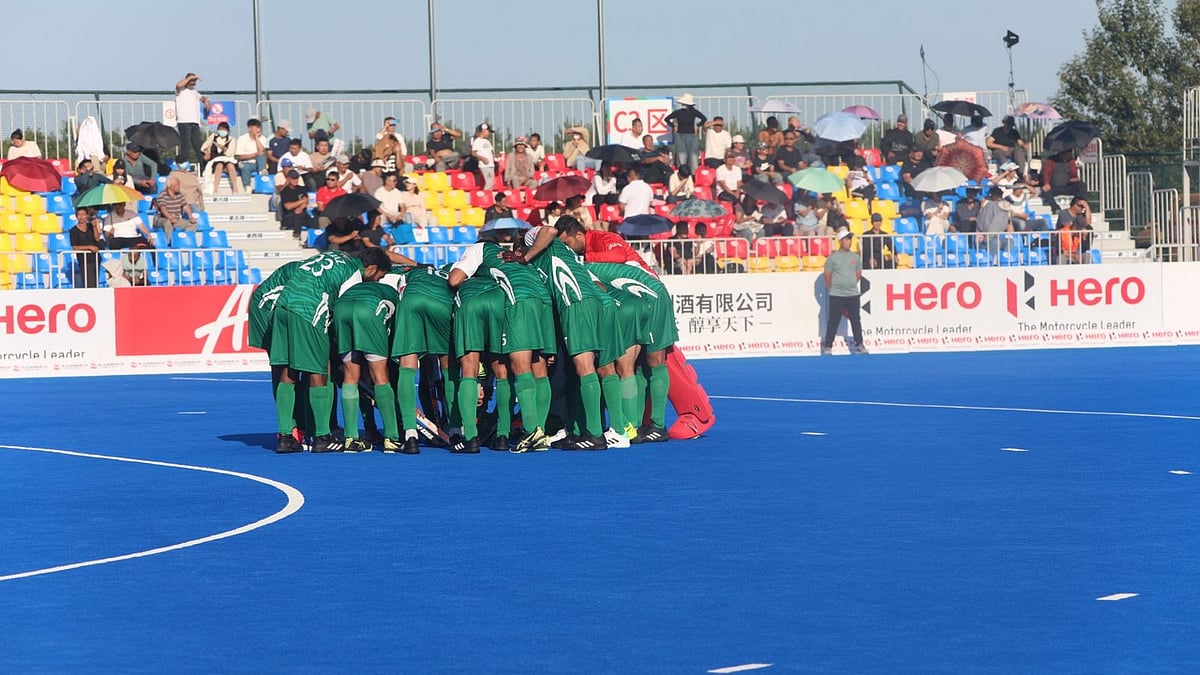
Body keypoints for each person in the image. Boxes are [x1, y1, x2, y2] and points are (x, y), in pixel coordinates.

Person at [269, 248, 391, 453]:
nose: (376, 282)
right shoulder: (354, 275)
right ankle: (321, 436)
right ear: (371, 268)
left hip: (282, 307)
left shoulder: (337, 255)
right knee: (320, 371)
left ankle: (285, 436)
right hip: (308, 310)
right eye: (379, 277)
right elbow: (341, 310)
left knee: (288, 371)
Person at [332, 276, 402, 453]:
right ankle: (392, 438)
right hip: (368, 310)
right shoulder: (393, 294)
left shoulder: (354, 288)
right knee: (380, 376)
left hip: (341, 309)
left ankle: (351, 438)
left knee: (350, 377)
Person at [822, 229, 868, 355]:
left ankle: (859, 344)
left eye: (850, 239)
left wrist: (850, 283)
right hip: (837, 294)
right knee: (833, 320)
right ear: (841, 241)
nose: (849, 242)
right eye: (846, 239)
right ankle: (828, 346)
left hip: (853, 294)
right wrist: (833, 287)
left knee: (855, 320)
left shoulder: (855, 257)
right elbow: (827, 275)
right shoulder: (832, 258)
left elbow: (858, 274)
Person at [664, 93, 706, 173]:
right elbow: (667, 119)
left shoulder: (686, 112)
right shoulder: (683, 112)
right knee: (685, 156)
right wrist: (674, 126)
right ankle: (684, 173)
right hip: (684, 135)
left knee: (690, 156)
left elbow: (667, 119)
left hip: (688, 135)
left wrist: (697, 125)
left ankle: (691, 174)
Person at [173, 73, 208, 166]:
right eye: (191, 81)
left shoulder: (194, 92)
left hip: (194, 123)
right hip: (184, 122)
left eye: (194, 81)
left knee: (199, 147)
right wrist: (190, 78)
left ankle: (203, 167)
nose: (192, 83)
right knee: (186, 147)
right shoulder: (181, 90)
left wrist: (206, 100)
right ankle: (182, 166)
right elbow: (178, 85)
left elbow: (201, 97)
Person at [69, 207, 104, 288]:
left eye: (83, 214)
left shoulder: (91, 227)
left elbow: (97, 238)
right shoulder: (73, 230)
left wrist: (95, 227)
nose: (81, 217)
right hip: (84, 260)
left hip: (95, 258)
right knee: (89, 282)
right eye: (79, 215)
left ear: (87, 216)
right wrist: (89, 247)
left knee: (95, 281)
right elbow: (75, 247)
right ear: (76, 216)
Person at [201, 122, 239, 194]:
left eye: (224, 129)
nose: (222, 131)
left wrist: (224, 148)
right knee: (219, 165)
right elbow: (204, 147)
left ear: (228, 131)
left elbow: (231, 153)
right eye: (220, 129)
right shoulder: (213, 137)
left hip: (227, 160)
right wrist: (206, 151)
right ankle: (215, 188)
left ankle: (235, 188)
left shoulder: (231, 140)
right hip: (216, 160)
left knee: (230, 166)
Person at [154, 177, 197, 241]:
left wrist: (190, 216)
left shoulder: (179, 195)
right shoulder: (162, 195)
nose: (179, 187)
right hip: (162, 219)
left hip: (176, 219)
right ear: (170, 186)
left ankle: (183, 240)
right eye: (177, 185)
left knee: (193, 224)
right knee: (167, 222)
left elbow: (186, 206)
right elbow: (163, 209)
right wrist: (170, 217)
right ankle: (168, 242)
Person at [1054, 197, 1093, 264]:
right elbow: (1059, 250)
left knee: (1087, 256)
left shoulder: (1080, 232)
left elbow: (1085, 248)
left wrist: (1084, 238)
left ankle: (1086, 273)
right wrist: (1072, 255)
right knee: (1061, 258)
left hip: (1076, 254)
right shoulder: (1063, 231)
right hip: (1065, 254)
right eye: (1081, 206)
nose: (1082, 208)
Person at [977, 186, 1013, 255]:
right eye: (997, 194)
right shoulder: (989, 205)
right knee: (996, 242)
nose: (999, 196)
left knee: (1010, 242)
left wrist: (1011, 234)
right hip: (985, 238)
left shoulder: (1005, 207)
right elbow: (982, 224)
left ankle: (1006, 260)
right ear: (992, 194)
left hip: (999, 236)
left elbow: (1009, 226)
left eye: (1000, 194)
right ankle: (991, 262)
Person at [277, 170, 311, 240]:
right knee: (298, 215)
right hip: (289, 217)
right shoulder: (284, 191)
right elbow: (288, 206)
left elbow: (306, 201)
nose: (295, 180)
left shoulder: (302, 189)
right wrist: (301, 201)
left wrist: (300, 208)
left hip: (302, 214)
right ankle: (297, 233)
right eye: (293, 178)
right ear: (288, 179)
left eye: (296, 178)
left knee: (314, 220)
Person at [235, 118, 267, 190]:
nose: (258, 130)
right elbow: (239, 156)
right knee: (245, 167)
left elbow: (262, 151)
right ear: (249, 129)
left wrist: (256, 138)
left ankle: (262, 175)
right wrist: (254, 154)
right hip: (245, 162)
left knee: (261, 156)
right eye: (256, 127)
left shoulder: (263, 138)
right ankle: (247, 186)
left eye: (259, 127)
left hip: (258, 164)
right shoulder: (242, 139)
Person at [470, 123, 496, 189]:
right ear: (483, 130)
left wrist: (494, 156)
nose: (489, 133)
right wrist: (482, 158)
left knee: (491, 183)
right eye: (488, 131)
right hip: (484, 165)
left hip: (491, 164)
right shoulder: (477, 141)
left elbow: (491, 151)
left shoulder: (487, 141)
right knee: (489, 182)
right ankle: (485, 197)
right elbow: (473, 153)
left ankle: (488, 196)